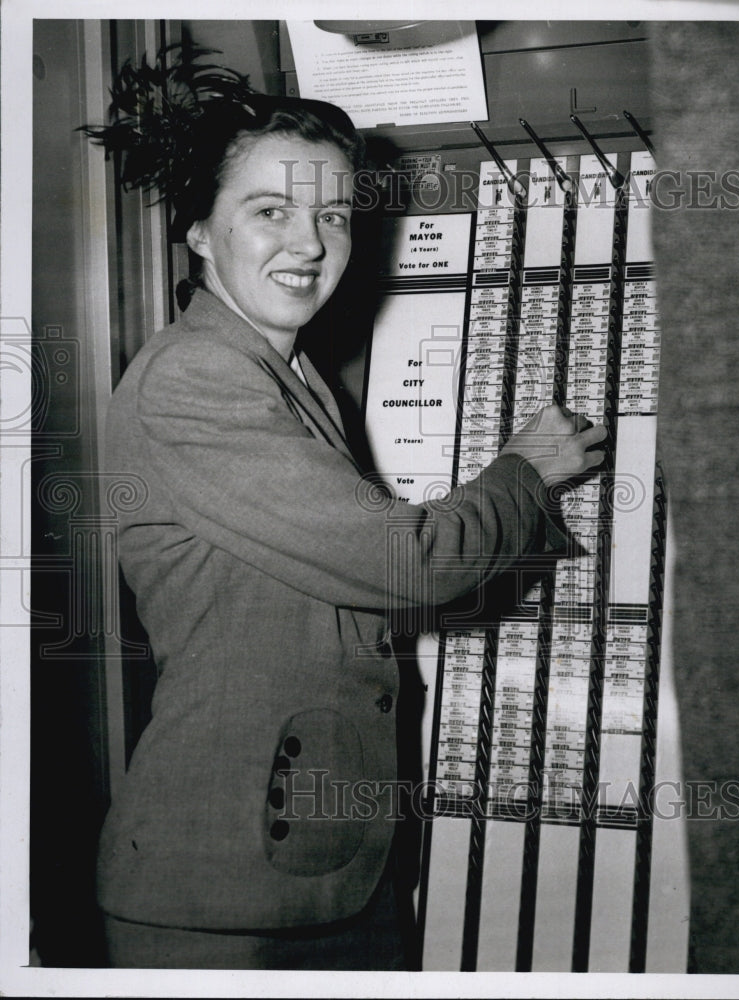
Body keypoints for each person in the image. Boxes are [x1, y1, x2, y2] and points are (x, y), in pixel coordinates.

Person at [95, 92, 606, 969]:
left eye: (332, 213)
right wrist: (525, 473)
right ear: (200, 233)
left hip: (315, 860)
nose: (308, 243)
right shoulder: (198, 375)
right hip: (224, 887)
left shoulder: (287, 372)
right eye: (269, 211)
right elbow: (402, 564)